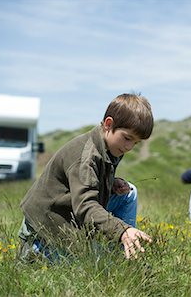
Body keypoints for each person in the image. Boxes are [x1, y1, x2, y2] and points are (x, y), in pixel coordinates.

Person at [18, 93, 153, 261]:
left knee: (129, 192)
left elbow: (86, 184)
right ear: (109, 124)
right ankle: (35, 251)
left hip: (70, 210)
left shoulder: (109, 146)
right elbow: (85, 206)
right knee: (93, 267)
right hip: (46, 225)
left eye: (136, 143)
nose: (129, 147)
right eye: (127, 138)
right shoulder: (86, 156)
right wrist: (121, 230)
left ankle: (124, 254)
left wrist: (111, 183)